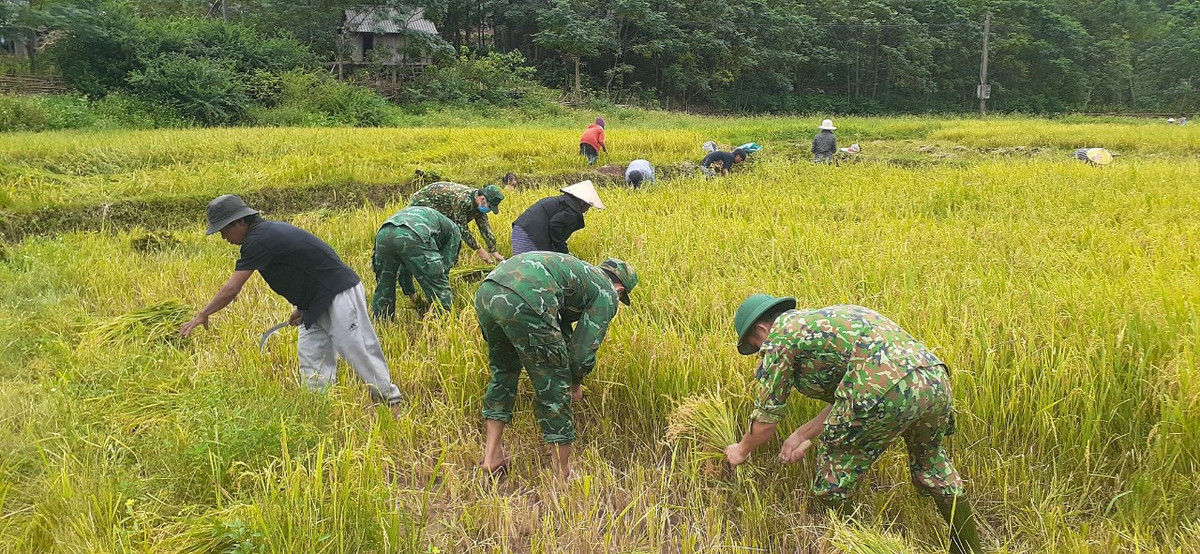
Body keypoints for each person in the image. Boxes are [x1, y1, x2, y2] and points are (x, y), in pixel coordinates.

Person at [724, 296, 981, 554]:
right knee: (932, 463)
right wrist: (800, 434)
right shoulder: (833, 318)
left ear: (761, 330)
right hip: (934, 380)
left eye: (755, 346)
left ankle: (863, 547)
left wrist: (741, 450)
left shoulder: (778, 338)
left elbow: (766, 420)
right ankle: (969, 549)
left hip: (881, 392)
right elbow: (851, 392)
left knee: (833, 484)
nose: (760, 353)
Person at [179, 194, 403, 406]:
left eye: (223, 230)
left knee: (357, 350)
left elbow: (231, 289)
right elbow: (302, 268)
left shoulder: (258, 240)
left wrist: (203, 314)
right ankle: (318, 407)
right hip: (315, 302)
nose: (223, 237)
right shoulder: (266, 233)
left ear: (239, 223)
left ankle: (392, 402)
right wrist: (302, 305)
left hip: (337, 294)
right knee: (311, 355)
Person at [476, 253, 638, 481]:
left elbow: (561, 326)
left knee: (504, 371)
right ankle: (563, 475)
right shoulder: (607, 292)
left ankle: (491, 457)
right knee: (555, 384)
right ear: (620, 288)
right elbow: (581, 351)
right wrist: (574, 382)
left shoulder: (581, 273)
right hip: (528, 296)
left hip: (489, 289)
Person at [372, 206, 461, 318]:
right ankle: (443, 324)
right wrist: (435, 295)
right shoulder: (454, 231)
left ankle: (381, 323)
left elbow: (406, 267)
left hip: (384, 233)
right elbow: (442, 272)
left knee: (384, 284)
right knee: (439, 286)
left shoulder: (431, 218)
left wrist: (412, 295)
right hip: (415, 233)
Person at [409, 181, 506, 265]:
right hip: (425, 203)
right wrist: (479, 250)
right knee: (435, 237)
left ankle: (449, 266)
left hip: (445, 209)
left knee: (453, 236)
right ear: (483, 199)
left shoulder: (478, 204)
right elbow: (462, 229)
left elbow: (484, 226)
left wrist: (493, 250)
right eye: (489, 206)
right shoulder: (462, 200)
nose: (488, 210)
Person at [510, 180, 605, 256]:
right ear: (582, 202)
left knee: (523, 269)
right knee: (529, 272)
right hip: (529, 235)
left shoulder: (563, 203)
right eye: (588, 206)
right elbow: (555, 225)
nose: (587, 210)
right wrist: (564, 251)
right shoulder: (572, 210)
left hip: (520, 230)